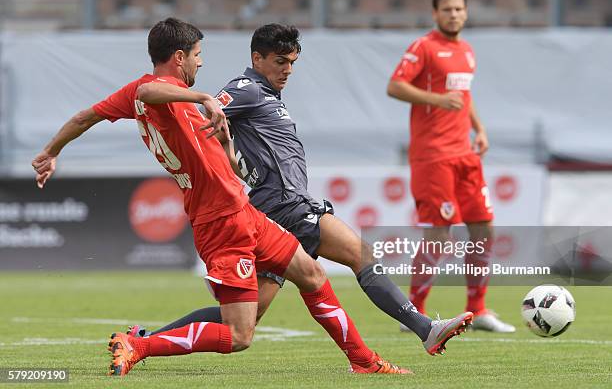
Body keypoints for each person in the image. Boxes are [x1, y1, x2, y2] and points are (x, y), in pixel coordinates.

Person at [31, 18, 411, 376]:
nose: (200, 62)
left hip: (243, 211)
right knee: (239, 336)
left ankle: (364, 361)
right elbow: (149, 90)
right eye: (197, 55)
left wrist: (51, 151)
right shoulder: (158, 92)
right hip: (219, 222)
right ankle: (139, 346)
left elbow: (85, 117)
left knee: (311, 274)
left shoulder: (143, 96)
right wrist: (203, 98)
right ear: (179, 58)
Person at [126, 23, 472, 355]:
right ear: (257, 59)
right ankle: (424, 329)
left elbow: (224, 138)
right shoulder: (246, 88)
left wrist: (236, 159)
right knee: (361, 255)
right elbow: (208, 118)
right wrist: (215, 138)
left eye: (291, 62)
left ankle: (144, 338)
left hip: (273, 207)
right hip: (285, 204)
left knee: (247, 317)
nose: (287, 69)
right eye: (279, 62)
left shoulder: (269, 96)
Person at [386, 0, 515, 332]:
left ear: (466, 13)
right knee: (439, 237)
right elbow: (395, 86)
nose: (454, 14)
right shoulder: (423, 47)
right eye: (447, 9)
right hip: (433, 157)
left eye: (459, 9)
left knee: (484, 228)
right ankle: (414, 314)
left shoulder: (468, 51)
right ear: (435, 13)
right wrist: (436, 99)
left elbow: (464, 96)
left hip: (465, 155)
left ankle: (479, 309)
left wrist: (479, 128)